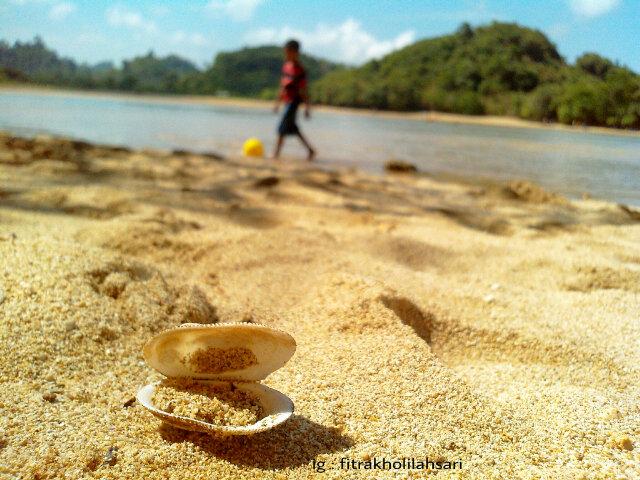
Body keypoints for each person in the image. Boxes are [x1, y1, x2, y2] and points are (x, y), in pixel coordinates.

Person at [272, 39, 315, 161]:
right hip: (286, 101)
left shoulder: (300, 70)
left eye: (288, 52)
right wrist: (277, 103)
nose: (286, 54)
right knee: (293, 128)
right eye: (285, 52)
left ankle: (276, 154)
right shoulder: (286, 67)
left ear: (295, 52)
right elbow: (283, 87)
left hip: (294, 102)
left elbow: (303, 90)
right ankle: (310, 150)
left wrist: (307, 107)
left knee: (282, 127)